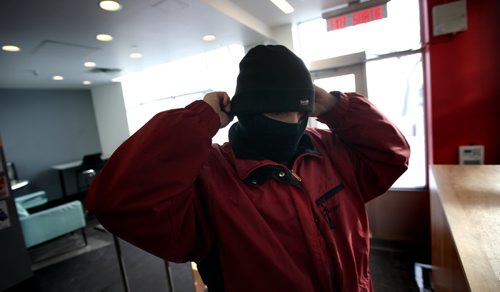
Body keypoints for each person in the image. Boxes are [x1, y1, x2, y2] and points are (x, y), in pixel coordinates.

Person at [85, 45, 410, 292]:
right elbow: (118, 203)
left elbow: (391, 155)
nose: (295, 123)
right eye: (282, 112)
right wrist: (200, 120)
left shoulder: (328, 149)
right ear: (249, 113)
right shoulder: (208, 175)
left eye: (302, 112)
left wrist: (338, 108)